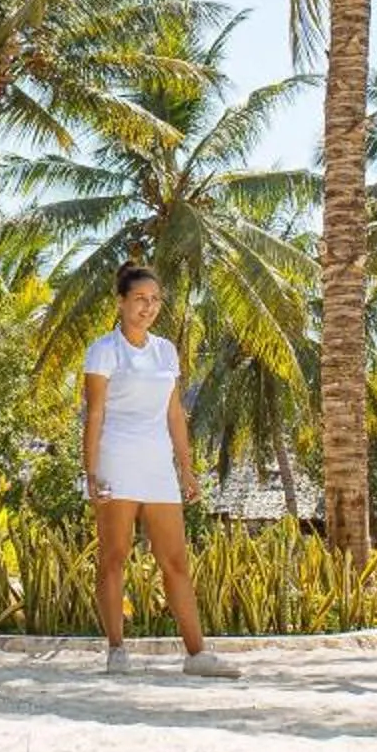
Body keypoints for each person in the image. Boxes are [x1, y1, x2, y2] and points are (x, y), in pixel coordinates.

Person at [82, 264, 239, 678]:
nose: (148, 307)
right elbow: (94, 414)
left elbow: (174, 415)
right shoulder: (103, 350)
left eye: (154, 300)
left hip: (157, 465)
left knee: (175, 560)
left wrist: (186, 469)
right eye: (139, 299)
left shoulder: (166, 351)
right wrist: (91, 471)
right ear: (121, 302)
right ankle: (117, 649)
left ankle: (197, 655)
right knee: (114, 557)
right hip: (115, 458)